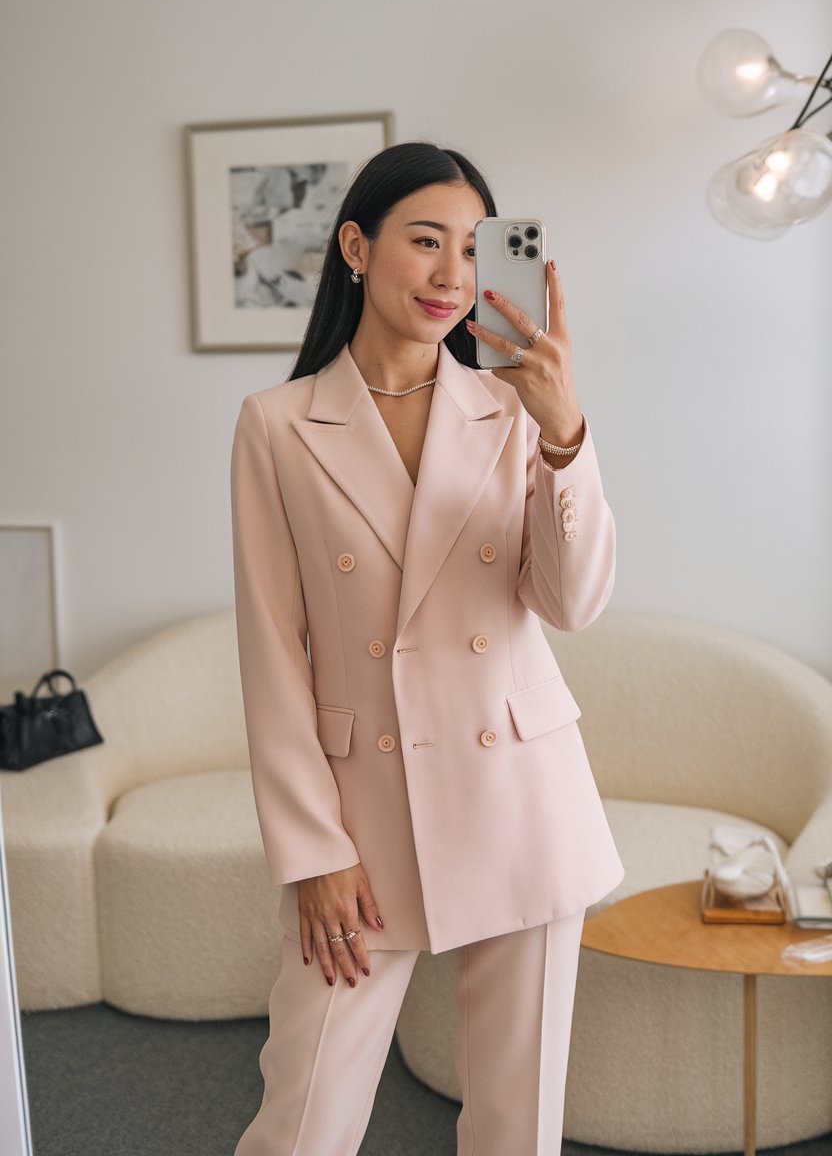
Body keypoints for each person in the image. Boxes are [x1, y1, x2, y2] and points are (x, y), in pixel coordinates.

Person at [230, 141, 624, 1156]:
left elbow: (569, 603)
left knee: (514, 1127)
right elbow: (273, 652)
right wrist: (313, 853)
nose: (453, 274)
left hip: (521, 799)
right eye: (424, 242)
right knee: (303, 1120)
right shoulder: (278, 426)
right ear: (356, 247)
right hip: (364, 822)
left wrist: (566, 432)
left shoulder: (514, 409)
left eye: (472, 246)